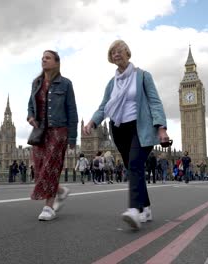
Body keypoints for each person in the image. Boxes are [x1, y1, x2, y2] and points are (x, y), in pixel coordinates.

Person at [83, 40, 169, 229]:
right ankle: (145, 207)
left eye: (119, 50)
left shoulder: (143, 76)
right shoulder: (111, 83)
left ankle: (134, 210)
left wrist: (161, 127)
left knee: (136, 164)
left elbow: (155, 102)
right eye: (113, 52)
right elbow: (104, 106)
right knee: (133, 168)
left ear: (128, 53)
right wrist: (92, 122)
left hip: (141, 128)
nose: (116, 54)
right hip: (119, 129)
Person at [27, 50, 78, 221]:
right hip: (40, 131)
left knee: (51, 166)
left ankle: (48, 207)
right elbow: (30, 105)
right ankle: (61, 190)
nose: (44, 60)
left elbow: (72, 110)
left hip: (59, 130)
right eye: (42, 57)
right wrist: (31, 116)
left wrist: (72, 137)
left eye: (47, 58)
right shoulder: (36, 83)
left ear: (56, 62)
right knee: (39, 168)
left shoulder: (66, 84)